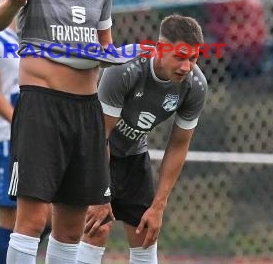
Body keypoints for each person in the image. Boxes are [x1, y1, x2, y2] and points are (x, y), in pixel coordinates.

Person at [0, 0, 117, 264]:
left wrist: (127, 58)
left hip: (86, 111)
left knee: (72, 228)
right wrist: (10, 5)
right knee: (30, 220)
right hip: (42, 107)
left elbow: (105, 48)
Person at [76, 15, 209, 264]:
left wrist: (158, 205)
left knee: (146, 232)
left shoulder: (196, 85)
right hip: (93, 150)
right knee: (97, 228)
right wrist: (100, 195)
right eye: (180, 56)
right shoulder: (125, 68)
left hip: (133, 152)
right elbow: (99, 135)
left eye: (193, 58)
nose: (186, 67)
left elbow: (179, 144)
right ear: (160, 48)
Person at [0, 21, 52, 264]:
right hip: (5, 138)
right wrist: (19, 124)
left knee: (47, 218)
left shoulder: (36, 39)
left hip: (37, 139)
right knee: (12, 216)